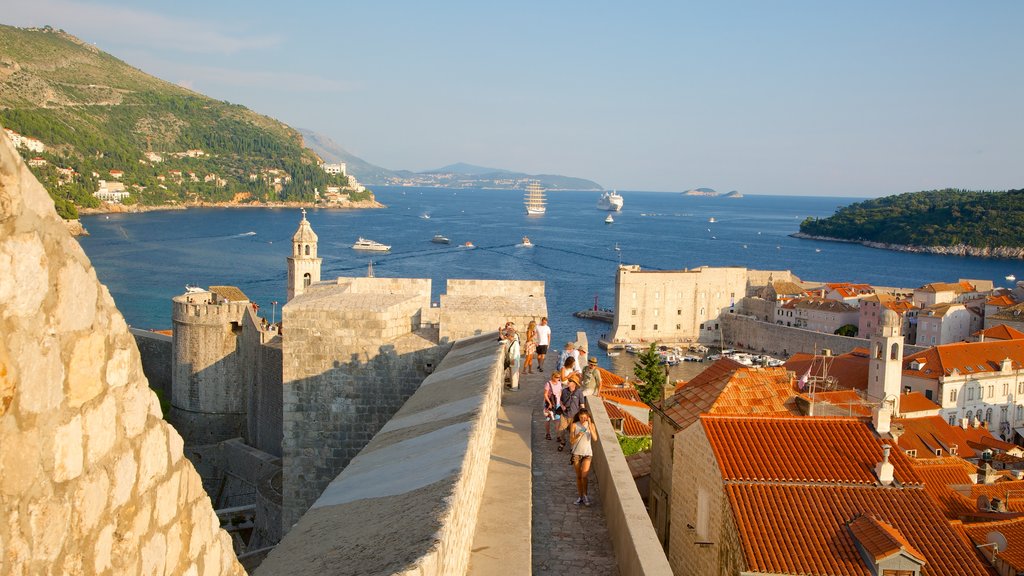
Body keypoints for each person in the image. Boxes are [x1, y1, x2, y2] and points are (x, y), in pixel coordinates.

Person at [570, 408, 599, 505]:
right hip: (577, 454)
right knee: (578, 477)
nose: (583, 419)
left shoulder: (590, 425)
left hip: (587, 454)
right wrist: (578, 435)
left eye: (585, 418)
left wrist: (590, 425)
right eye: (581, 417)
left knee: (584, 476)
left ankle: (586, 496)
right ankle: (580, 496)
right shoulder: (574, 425)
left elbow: (595, 439)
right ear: (578, 416)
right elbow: (571, 441)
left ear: (587, 418)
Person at [558, 373, 585, 451]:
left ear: (574, 383)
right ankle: (563, 442)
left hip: (574, 416)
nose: (568, 382)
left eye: (570, 381)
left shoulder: (579, 392)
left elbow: (582, 404)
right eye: (568, 380)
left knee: (572, 432)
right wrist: (562, 406)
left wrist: (583, 415)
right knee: (561, 430)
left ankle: (572, 446)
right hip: (564, 415)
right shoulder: (564, 391)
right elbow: (561, 401)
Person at [542, 372, 563, 441]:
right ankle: (548, 434)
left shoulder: (559, 383)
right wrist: (549, 403)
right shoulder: (548, 384)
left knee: (557, 419)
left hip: (557, 403)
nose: (558, 378)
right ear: (552, 376)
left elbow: (560, 393)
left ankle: (558, 435)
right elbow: (545, 394)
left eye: (559, 377)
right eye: (556, 377)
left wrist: (561, 402)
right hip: (549, 403)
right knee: (548, 419)